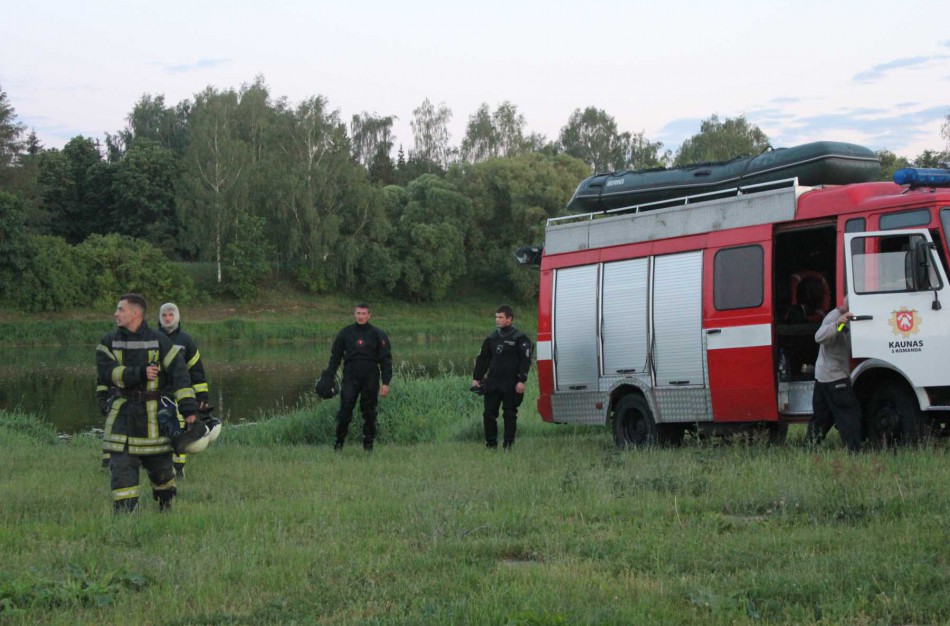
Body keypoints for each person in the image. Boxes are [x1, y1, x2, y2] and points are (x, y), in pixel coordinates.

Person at [97, 294, 198, 512]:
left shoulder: (161, 342)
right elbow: (107, 374)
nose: (116, 313)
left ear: (136, 314)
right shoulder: (108, 343)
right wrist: (139, 373)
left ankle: (166, 506)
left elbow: (180, 375)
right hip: (122, 419)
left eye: (120, 309)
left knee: (163, 475)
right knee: (121, 472)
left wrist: (189, 409)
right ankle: (123, 518)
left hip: (154, 421)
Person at [325, 303, 392, 451]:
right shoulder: (345, 333)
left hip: (371, 378)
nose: (361, 316)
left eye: (364, 314)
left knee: (369, 413)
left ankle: (368, 447)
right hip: (350, 377)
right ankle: (338, 446)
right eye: (358, 313)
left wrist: (386, 382)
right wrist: (328, 377)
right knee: (344, 411)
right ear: (354, 314)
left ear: (369, 315)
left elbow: (386, 360)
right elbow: (335, 357)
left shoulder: (377, 334)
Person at [158, 302, 211, 479]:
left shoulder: (186, 341)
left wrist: (201, 396)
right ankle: (160, 467)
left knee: (180, 431)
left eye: (170, 315)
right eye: (164, 315)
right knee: (159, 432)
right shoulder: (152, 339)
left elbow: (196, 371)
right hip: (158, 395)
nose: (167, 318)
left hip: (181, 395)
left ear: (177, 317)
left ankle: (179, 470)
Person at [471, 305, 533, 450]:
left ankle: (508, 445)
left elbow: (526, 361)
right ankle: (491, 444)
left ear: (509, 319)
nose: (497, 320)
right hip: (493, 382)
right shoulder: (492, 338)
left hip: (511, 383)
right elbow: (483, 359)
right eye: (496, 317)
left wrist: (521, 380)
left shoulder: (520, 338)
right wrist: (476, 378)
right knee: (488, 414)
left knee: (510, 414)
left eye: (500, 317)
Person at [808, 296, 862, 452]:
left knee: (821, 417)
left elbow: (838, 334)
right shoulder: (835, 317)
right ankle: (853, 450)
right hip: (834, 376)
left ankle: (811, 446)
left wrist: (841, 326)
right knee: (849, 413)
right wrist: (839, 323)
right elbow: (819, 337)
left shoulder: (843, 320)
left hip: (823, 375)